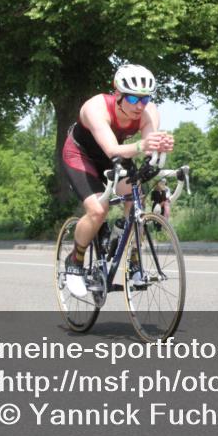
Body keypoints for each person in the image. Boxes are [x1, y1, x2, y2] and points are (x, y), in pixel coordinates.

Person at [60, 64, 174, 297]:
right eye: (133, 99)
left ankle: (133, 262)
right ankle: (75, 261)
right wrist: (143, 146)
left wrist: (161, 183)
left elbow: (150, 156)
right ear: (118, 94)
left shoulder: (148, 112)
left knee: (137, 200)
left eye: (145, 99)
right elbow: (112, 148)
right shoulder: (95, 107)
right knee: (97, 210)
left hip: (117, 157)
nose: (139, 106)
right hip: (82, 155)